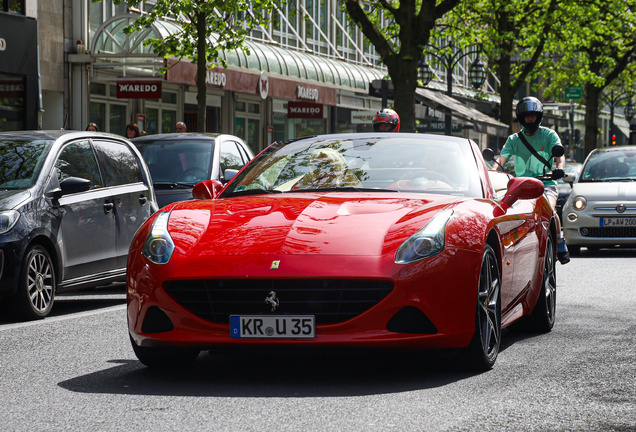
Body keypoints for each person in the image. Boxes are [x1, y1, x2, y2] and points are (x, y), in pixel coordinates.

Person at [495, 96, 570, 264]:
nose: (530, 119)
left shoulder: (549, 135)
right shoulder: (513, 140)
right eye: (527, 116)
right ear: (521, 118)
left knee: (550, 210)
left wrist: (559, 168)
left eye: (533, 115)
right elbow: (502, 159)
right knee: (506, 213)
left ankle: (559, 242)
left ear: (539, 117)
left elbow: (560, 155)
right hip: (521, 186)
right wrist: (493, 171)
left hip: (546, 184)